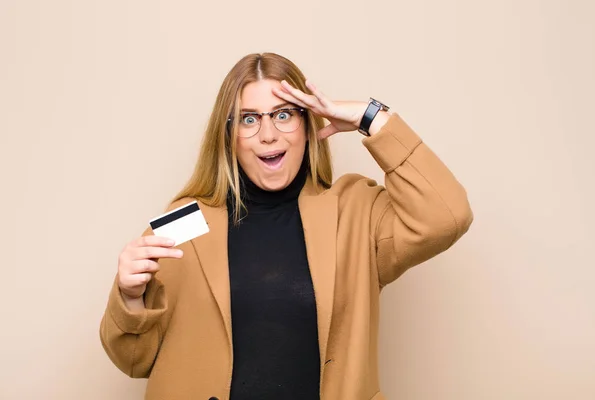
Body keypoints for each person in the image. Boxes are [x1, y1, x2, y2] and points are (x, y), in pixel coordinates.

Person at [99, 52, 473, 400]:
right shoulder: (184, 221)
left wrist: (370, 117)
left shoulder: (355, 211)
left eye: (283, 114)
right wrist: (130, 296)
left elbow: (447, 215)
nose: (267, 134)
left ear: (308, 123)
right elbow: (134, 360)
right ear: (227, 135)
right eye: (249, 118)